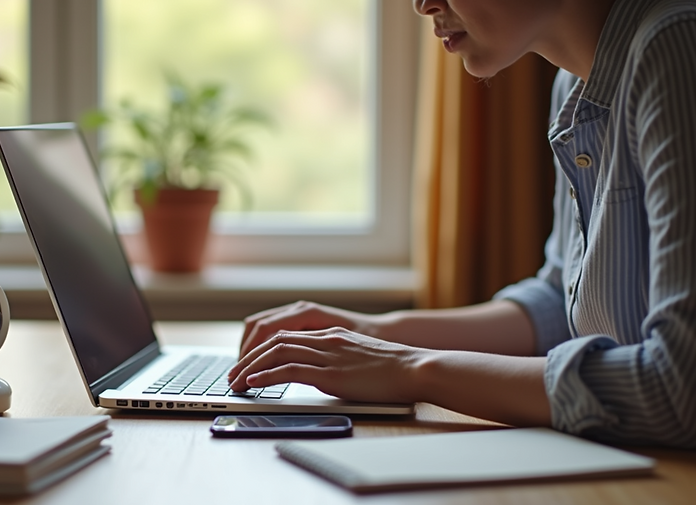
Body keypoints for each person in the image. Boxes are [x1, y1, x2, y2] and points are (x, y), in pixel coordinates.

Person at [227, 0, 696, 448]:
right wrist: (376, 331)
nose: (423, 5)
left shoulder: (677, 45)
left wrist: (412, 368)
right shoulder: (573, 88)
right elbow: (561, 304)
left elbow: (682, 387)